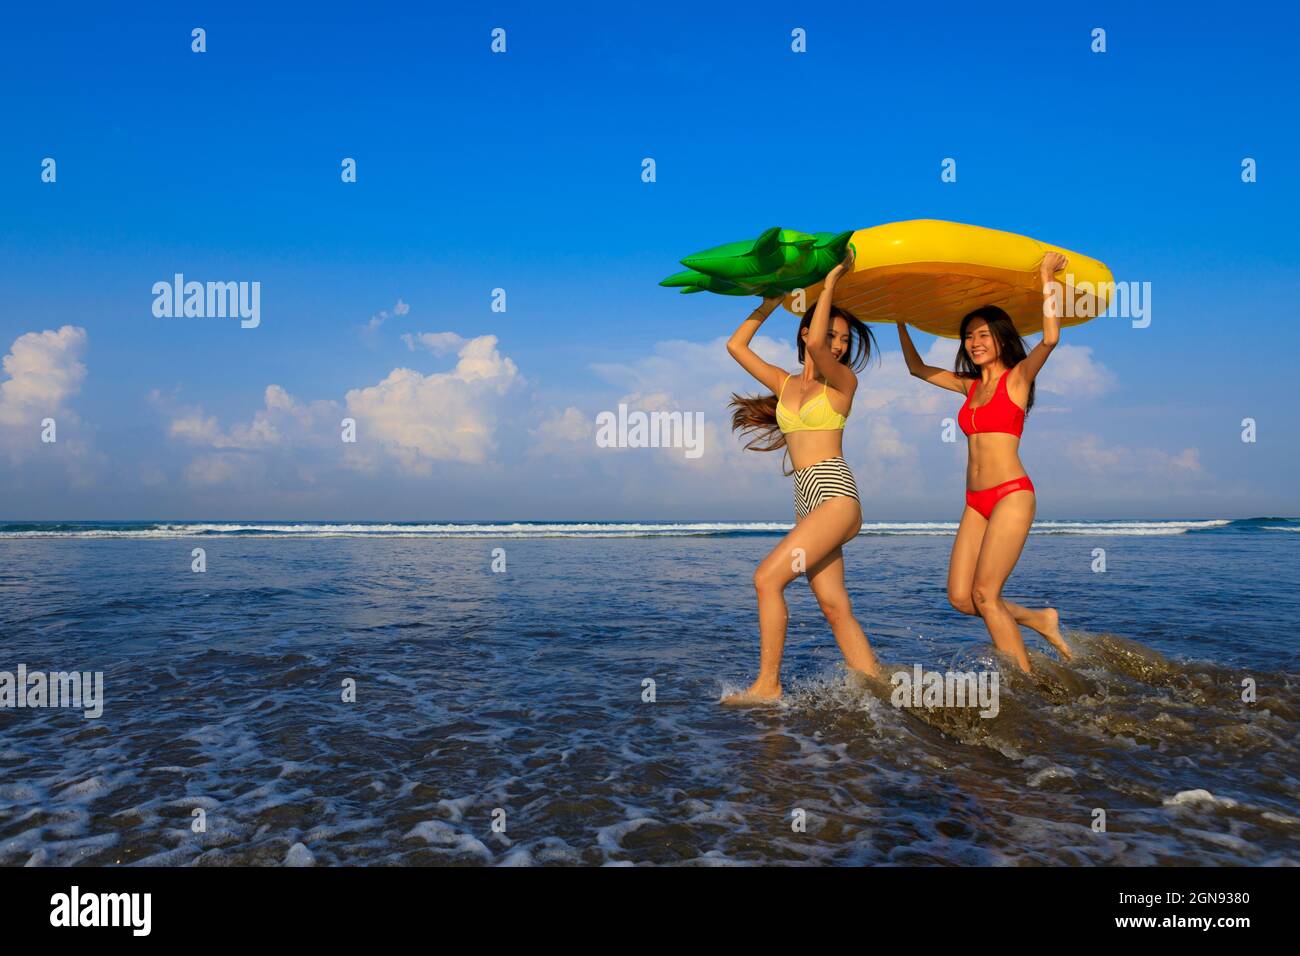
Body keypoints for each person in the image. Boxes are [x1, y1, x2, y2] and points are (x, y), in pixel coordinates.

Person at [895, 253, 1073, 671]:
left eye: (982, 335)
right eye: (968, 337)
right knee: (961, 597)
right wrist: (899, 318)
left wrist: (1047, 277)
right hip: (975, 501)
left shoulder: (1017, 378)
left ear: (1000, 338)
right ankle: (1038, 619)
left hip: (1012, 494)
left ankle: (1024, 687)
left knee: (986, 595)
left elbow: (1049, 339)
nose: (974, 343)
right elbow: (917, 368)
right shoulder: (968, 387)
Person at [723, 250, 881, 704]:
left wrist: (828, 284)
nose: (836, 344)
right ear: (805, 330)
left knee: (767, 580)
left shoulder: (843, 382)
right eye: (829, 334)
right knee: (834, 606)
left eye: (843, 339)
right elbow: (735, 346)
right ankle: (877, 685)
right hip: (807, 502)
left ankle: (767, 686)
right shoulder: (785, 384)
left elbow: (815, 348)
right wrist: (771, 300)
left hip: (836, 497)